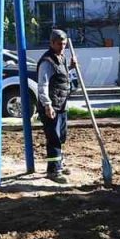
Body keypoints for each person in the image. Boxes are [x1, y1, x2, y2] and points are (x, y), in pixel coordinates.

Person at [37, 29, 76, 183]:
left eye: (64, 44)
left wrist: (71, 67)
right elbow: (43, 85)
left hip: (62, 104)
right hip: (51, 106)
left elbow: (62, 77)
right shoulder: (47, 61)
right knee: (53, 138)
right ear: (52, 43)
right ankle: (53, 171)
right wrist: (47, 105)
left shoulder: (62, 58)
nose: (62, 47)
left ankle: (59, 163)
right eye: (59, 44)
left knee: (61, 136)